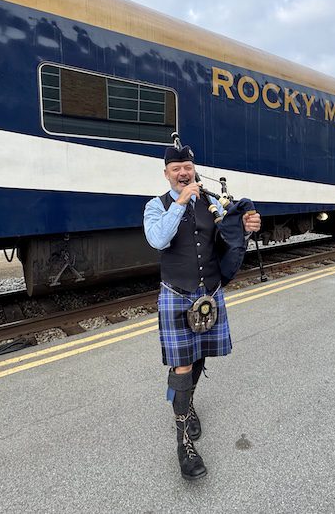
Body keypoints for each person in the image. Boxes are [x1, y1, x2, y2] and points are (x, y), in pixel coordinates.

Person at [143, 144, 261, 481]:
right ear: (166, 173)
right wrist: (180, 204)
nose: (183, 173)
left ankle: (187, 403)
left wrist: (248, 226)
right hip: (176, 294)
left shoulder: (211, 203)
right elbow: (157, 240)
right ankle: (183, 443)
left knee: (198, 358)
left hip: (208, 294)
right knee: (181, 365)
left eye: (188, 167)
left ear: (194, 169)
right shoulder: (156, 206)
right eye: (176, 168)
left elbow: (226, 238)